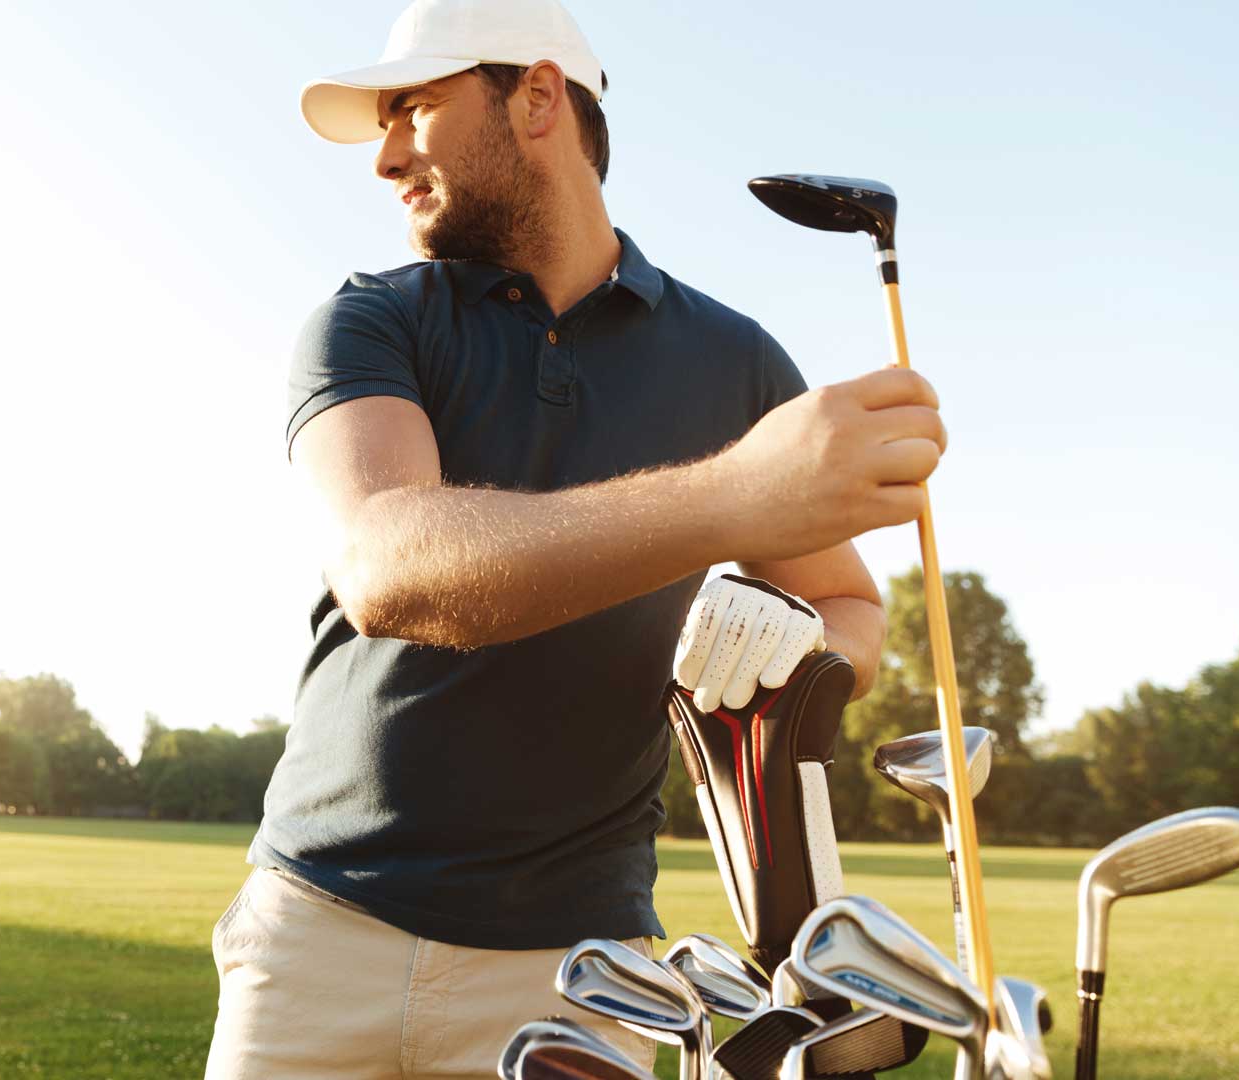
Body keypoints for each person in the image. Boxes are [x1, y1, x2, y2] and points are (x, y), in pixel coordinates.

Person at [205, 0, 947, 1075]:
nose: (386, 156)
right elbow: (387, 565)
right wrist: (735, 497)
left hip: (577, 962)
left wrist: (792, 656)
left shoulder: (734, 362)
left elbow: (853, 609)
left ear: (538, 94)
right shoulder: (371, 319)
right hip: (321, 931)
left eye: (412, 107)